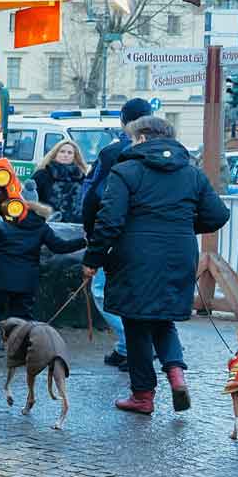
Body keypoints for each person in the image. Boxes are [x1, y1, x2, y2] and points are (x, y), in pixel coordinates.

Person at [84, 116, 231, 415]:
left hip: (135, 256)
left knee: (136, 322)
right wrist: (182, 227)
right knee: (164, 319)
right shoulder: (192, 173)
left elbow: (110, 220)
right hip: (179, 252)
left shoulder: (126, 171)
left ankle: (142, 396)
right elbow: (218, 215)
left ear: (140, 139)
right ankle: (176, 372)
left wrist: (92, 259)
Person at [80, 98, 155, 367]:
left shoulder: (113, 153)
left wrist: (90, 232)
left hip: (118, 235)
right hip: (157, 238)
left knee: (102, 291)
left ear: (124, 122)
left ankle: (132, 345)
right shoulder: (173, 151)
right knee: (148, 293)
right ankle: (132, 348)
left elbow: (92, 195)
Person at [0, 198, 83, 353]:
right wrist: (83, 241)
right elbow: (60, 247)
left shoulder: (3, 227)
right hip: (26, 281)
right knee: (22, 316)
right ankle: (19, 349)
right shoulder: (42, 228)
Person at [32, 140, 87, 220]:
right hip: (47, 223)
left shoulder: (81, 177)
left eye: (69, 153)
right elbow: (31, 200)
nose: (65, 155)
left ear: (74, 157)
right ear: (55, 154)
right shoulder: (42, 174)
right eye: (62, 152)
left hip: (75, 226)